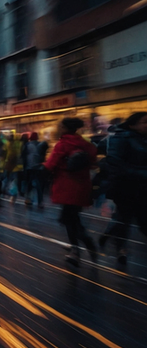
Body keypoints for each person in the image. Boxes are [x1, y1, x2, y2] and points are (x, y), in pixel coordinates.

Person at [43, 117, 98, 266]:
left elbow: (50, 164)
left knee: (69, 220)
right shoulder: (86, 144)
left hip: (66, 186)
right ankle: (80, 246)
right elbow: (93, 160)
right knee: (73, 216)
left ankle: (78, 249)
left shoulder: (62, 144)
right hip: (82, 185)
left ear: (65, 128)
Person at [98, 112, 147, 265]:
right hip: (126, 187)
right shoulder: (120, 138)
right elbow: (115, 163)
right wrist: (141, 172)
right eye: (144, 122)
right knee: (125, 219)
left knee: (136, 218)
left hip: (142, 186)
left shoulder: (143, 139)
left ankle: (109, 237)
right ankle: (121, 249)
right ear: (133, 125)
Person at [22, 132, 48, 209]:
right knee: (39, 186)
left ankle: (29, 199)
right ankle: (40, 202)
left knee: (29, 184)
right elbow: (43, 156)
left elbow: (24, 156)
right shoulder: (41, 145)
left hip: (30, 167)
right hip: (39, 167)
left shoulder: (27, 145)